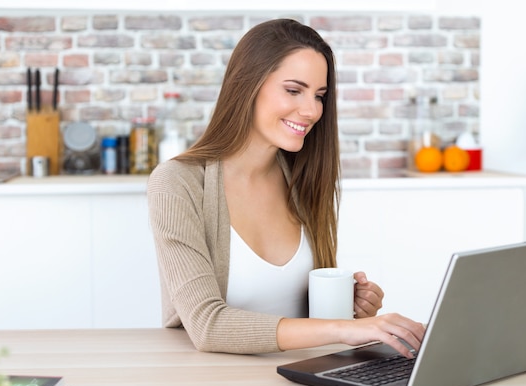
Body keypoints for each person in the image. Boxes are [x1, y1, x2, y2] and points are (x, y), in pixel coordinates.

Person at [147, 18, 425, 356]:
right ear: (246, 85)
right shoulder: (178, 183)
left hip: (300, 378)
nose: (311, 110)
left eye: (319, 96)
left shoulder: (304, 178)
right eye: (293, 90)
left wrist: (351, 309)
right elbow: (207, 325)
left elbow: (310, 322)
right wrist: (345, 328)